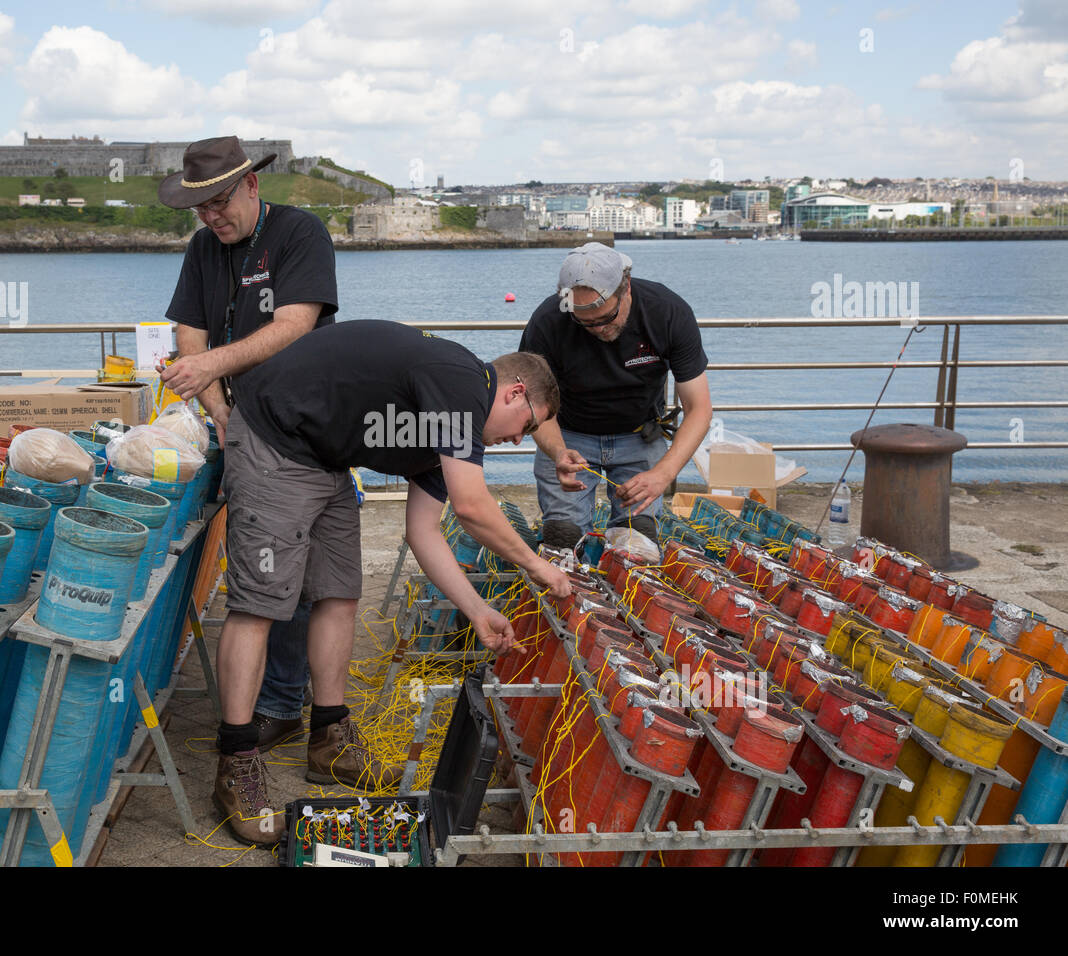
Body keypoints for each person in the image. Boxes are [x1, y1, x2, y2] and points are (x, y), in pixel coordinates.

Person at [203, 320, 572, 844]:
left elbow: (424, 533)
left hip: (327, 457)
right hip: (274, 437)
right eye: (527, 425)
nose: (518, 438)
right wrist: (538, 566)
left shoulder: (452, 430)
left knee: (339, 594)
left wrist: (476, 610)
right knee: (258, 605)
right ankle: (236, 762)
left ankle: (330, 739)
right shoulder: (461, 382)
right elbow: (471, 507)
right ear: (515, 392)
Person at [157, 135, 333, 757]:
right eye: (200, 208)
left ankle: (288, 702)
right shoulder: (203, 246)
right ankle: (279, 704)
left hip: (312, 427)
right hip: (247, 431)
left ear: (253, 184)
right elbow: (188, 335)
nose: (211, 217)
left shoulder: (300, 232)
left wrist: (209, 371)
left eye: (220, 202)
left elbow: (295, 326)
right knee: (267, 577)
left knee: (312, 578)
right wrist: (222, 413)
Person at [520, 243, 713, 556]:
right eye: (585, 321)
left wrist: (662, 475)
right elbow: (535, 407)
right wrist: (557, 452)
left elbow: (699, 408)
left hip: (640, 435)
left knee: (639, 544)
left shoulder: (667, 311)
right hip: (568, 434)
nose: (598, 329)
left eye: (606, 317)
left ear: (626, 288)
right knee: (563, 539)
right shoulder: (548, 320)